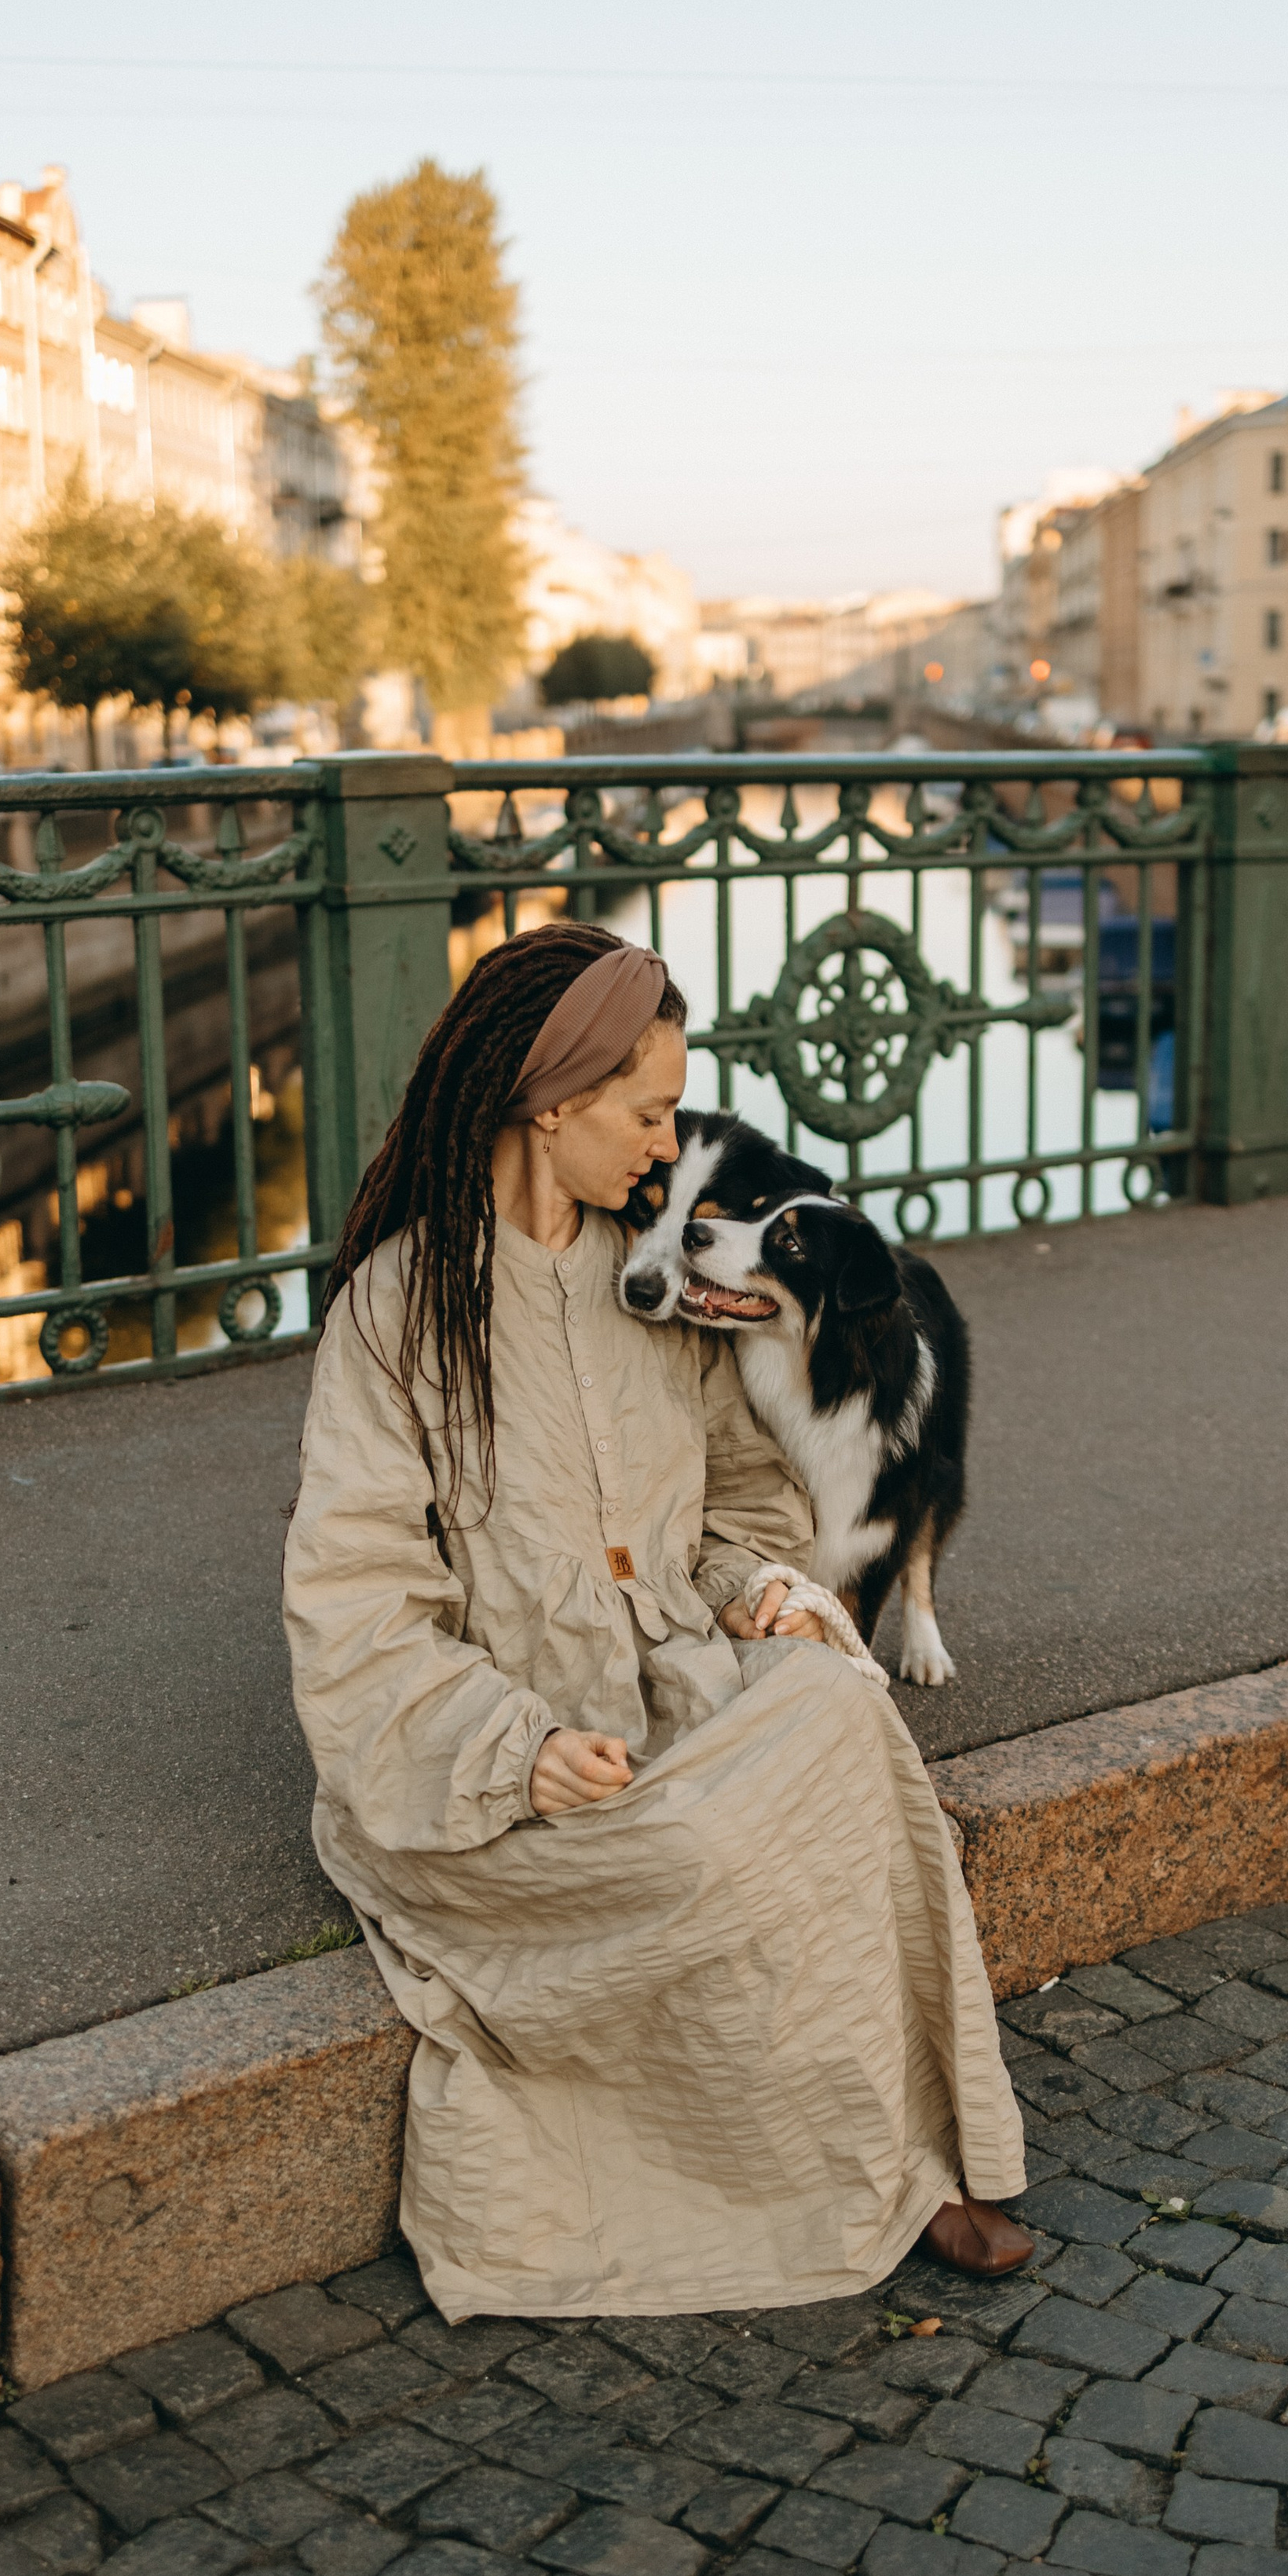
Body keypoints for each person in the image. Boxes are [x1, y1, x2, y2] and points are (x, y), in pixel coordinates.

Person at [283, 920, 1029, 2321]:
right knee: (707, 1845)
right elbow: (356, 1600)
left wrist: (761, 1593)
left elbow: (737, 1499)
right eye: (647, 1111)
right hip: (497, 1767)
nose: (669, 1143)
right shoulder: (399, 1309)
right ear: (548, 1103)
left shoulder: (656, 1279)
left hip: (681, 1684)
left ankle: (905, 2152)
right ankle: (842, 2179)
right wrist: (515, 1745)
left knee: (849, 1712)